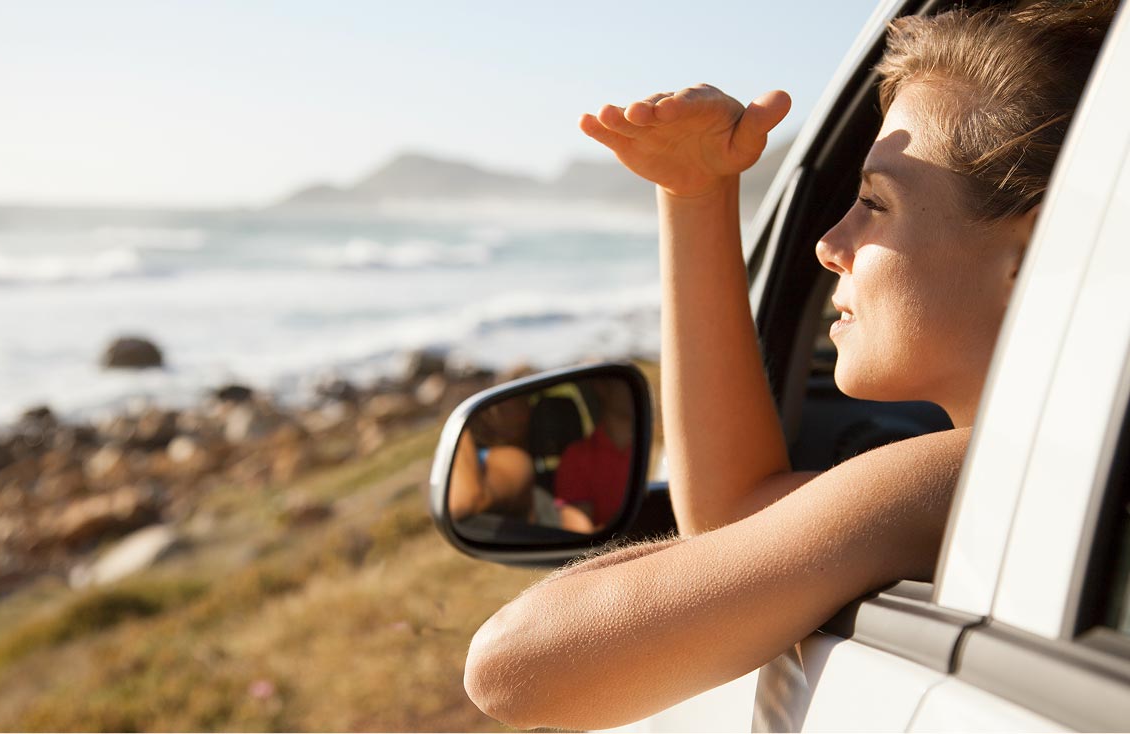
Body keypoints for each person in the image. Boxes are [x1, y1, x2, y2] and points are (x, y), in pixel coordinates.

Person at [462, 1, 1116, 730]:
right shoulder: (1059, 476)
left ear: (1030, 257)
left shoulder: (971, 474)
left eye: (874, 202)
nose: (829, 243)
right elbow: (736, 515)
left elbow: (511, 667)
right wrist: (696, 196)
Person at [553, 378, 636, 531]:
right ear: (601, 387)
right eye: (626, 382)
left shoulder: (659, 448)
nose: (635, 390)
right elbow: (582, 533)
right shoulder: (577, 457)